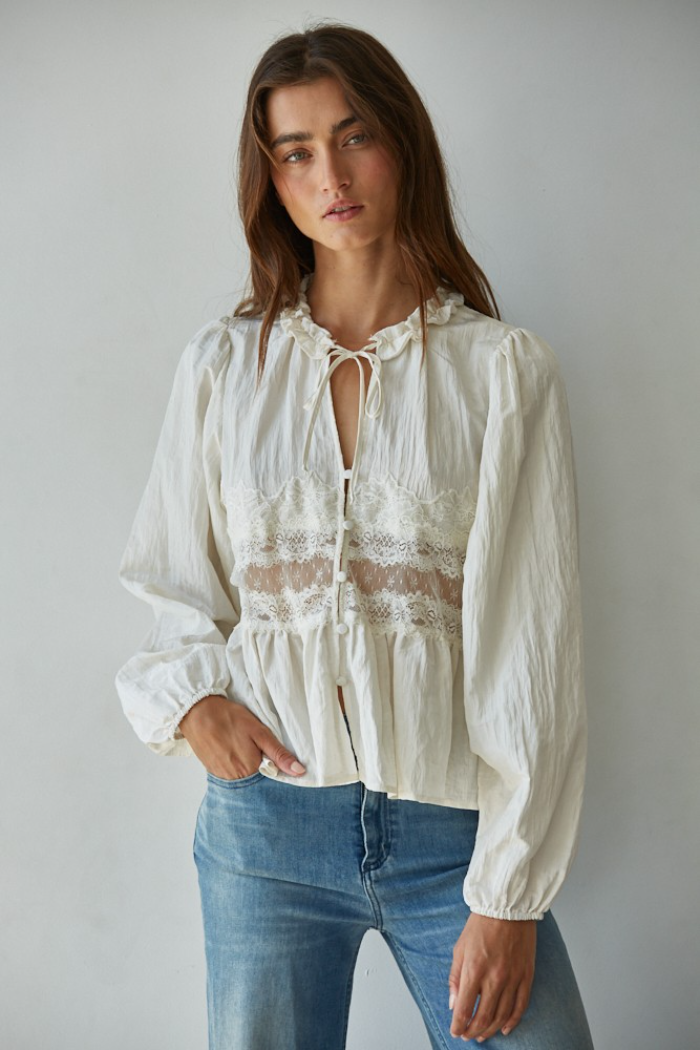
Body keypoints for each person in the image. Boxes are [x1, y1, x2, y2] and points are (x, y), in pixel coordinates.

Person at [115, 21, 594, 1050]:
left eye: (353, 136)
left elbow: (532, 644)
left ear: (401, 144)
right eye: (295, 153)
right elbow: (172, 582)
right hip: (265, 833)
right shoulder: (222, 369)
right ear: (271, 182)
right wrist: (192, 700)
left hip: (454, 837)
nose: (329, 175)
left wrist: (509, 894)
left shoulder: (502, 373)